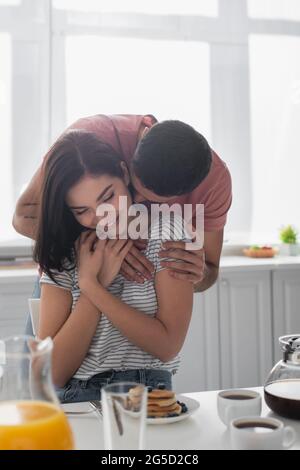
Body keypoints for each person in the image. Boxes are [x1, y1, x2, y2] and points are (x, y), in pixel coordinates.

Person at [35, 130, 193, 401]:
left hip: (149, 393)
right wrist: (91, 287)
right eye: (81, 210)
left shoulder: (167, 230)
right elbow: (53, 373)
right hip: (76, 397)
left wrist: (93, 286)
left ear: (124, 173)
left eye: (107, 197)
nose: (101, 217)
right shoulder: (64, 251)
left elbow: (167, 346)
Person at [13, 114, 232, 296]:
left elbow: (210, 270)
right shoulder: (89, 139)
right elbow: (23, 217)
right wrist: (105, 245)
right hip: (69, 281)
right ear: (126, 169)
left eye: (150, 200)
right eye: (132, 189)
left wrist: (198, 272)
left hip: (145, 301)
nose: (133, 202)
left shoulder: (215, 184)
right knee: (47, 349)